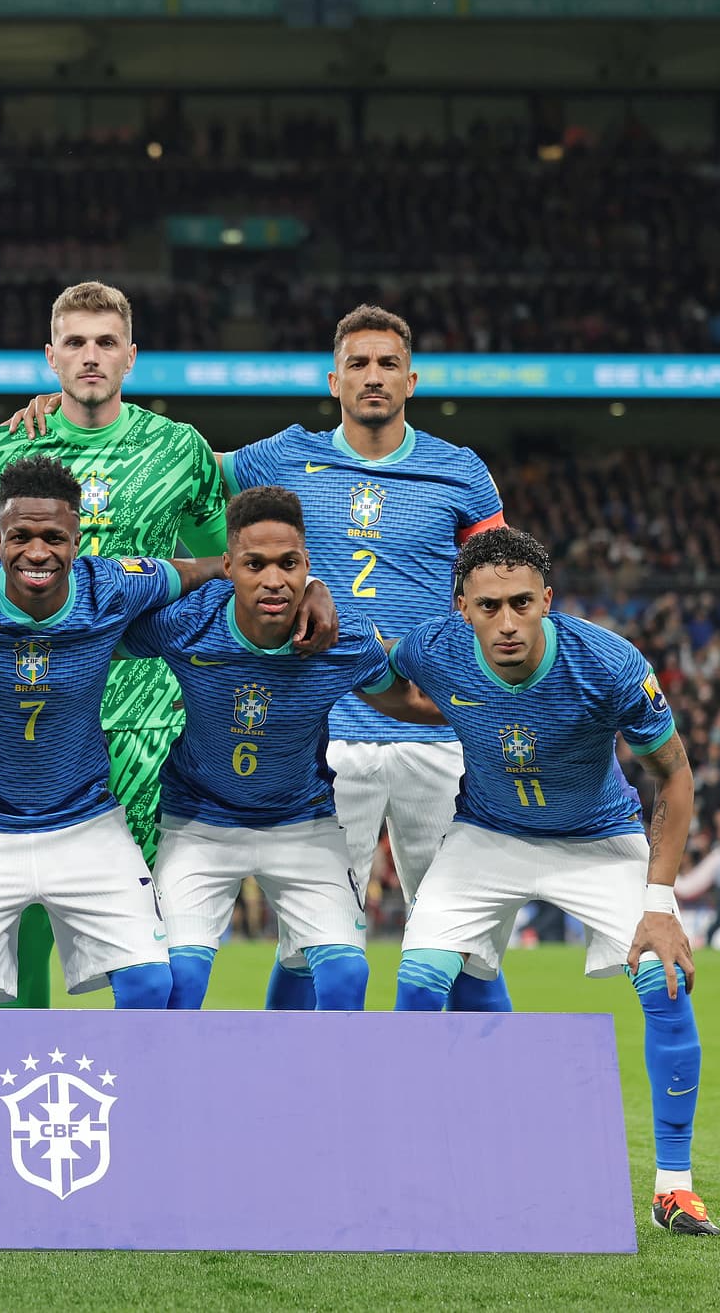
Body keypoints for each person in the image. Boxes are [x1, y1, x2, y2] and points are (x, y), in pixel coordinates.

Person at [0, 281, 336, 1008]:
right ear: (50, 356)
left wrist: (307, 587)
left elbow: (235, 563)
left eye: (105, 342)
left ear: (132, 355)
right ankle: (27, 1050)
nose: (90, 356)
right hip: (32, 707)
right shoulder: (3, 449)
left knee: (152, 913)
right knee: (27, 897)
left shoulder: (178, 449)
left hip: (149, 714)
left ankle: (149, 1077)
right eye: (75, 342)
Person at [387, 528, 720, 1237]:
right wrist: (436, 711)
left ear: (547, 599)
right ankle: (416, 1169)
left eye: (519, 604)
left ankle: (674, 1187)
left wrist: (659, 902)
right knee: (418, 983)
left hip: (598, 839)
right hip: (486, 835)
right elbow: (382, 678)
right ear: (460, 608)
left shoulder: (609, 663)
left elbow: (676, 773)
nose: (505, 623)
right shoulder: (433, 647)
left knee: (665, 977)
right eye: (487, 607)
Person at [225, 305, 509, 1012]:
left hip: (434, 732)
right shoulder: (281, 457)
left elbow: (503, 584)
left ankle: (487, 1103)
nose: (373, 376)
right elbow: (182, 463)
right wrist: (70, 407)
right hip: (323, 734)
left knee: (464, 942)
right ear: (334, 379)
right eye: (358, 363)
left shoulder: (460, 472)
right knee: (307, 940)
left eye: (387, 364)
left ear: (411, 379)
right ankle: (289, 1097)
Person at [0, 456, 223, 1009]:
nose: (37, 552)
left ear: (77, 541)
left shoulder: (116, 586)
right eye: (20, 536)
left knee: (151, 985)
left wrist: (310, 582)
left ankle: (137, 1095)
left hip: (86, 823)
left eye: (54, 536)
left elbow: (210, 567)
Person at [118, 486, 444, 1009]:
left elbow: (405, 701)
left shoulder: (341, 641)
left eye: (288, 564)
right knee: (178, 981)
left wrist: (492, 711)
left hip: (302, 826)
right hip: (200, 825)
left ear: (307, 566)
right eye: (254, 564)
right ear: (228, 566)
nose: (273, 579)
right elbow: (93, 638)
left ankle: (306, 1090)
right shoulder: (187, 622)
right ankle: (168, 1089)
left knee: (344, 977)